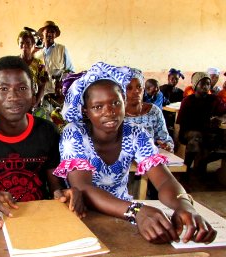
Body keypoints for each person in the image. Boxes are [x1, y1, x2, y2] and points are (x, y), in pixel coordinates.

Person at [53, 62, 216, 244]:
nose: (109, 112)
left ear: (124, 100)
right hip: (82, 214)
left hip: (123, 214)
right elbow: (83, 188)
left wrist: (185, 206)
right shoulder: (74, 133)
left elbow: (163, 180)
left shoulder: (135, 133)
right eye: (98, 107)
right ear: (85, 110)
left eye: (115, 102)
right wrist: (137, 211)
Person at [0, 56, 84, 229]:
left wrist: (65, 195)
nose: (13, 97)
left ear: (33, 93)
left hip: (41, 221)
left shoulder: (47, 132)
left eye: (22, 88)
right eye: (3, 88)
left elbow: (56, 187)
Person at [177, 72, 226, 174]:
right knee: (196, 137)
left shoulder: (214, 99)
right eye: (202, 84)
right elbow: (183, 122)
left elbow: (225, 111)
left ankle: (202, 163)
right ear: (195, 85)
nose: (206, 87)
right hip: (188, 132)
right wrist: (206, 123)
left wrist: (221, 118)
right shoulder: (188, 101)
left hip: (208, 131)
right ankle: (185, 171)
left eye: (208, 84)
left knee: (221, 142)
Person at [125, 69, 174, 152]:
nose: (136, 91)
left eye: (139, 87)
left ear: (144, 89)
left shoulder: (154, 111)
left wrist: (167, 146)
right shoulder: (114, 114)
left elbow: (166, 140)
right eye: (129, 88)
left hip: (149, 160)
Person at [17, 30, 47, 111]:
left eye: (28, 43)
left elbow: (42, 86)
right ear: (18, 44)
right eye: (21, 43)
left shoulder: (39, 64)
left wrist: (36, 103)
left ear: (33, 44)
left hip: (32, 101)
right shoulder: (14, 62)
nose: (24, 45)